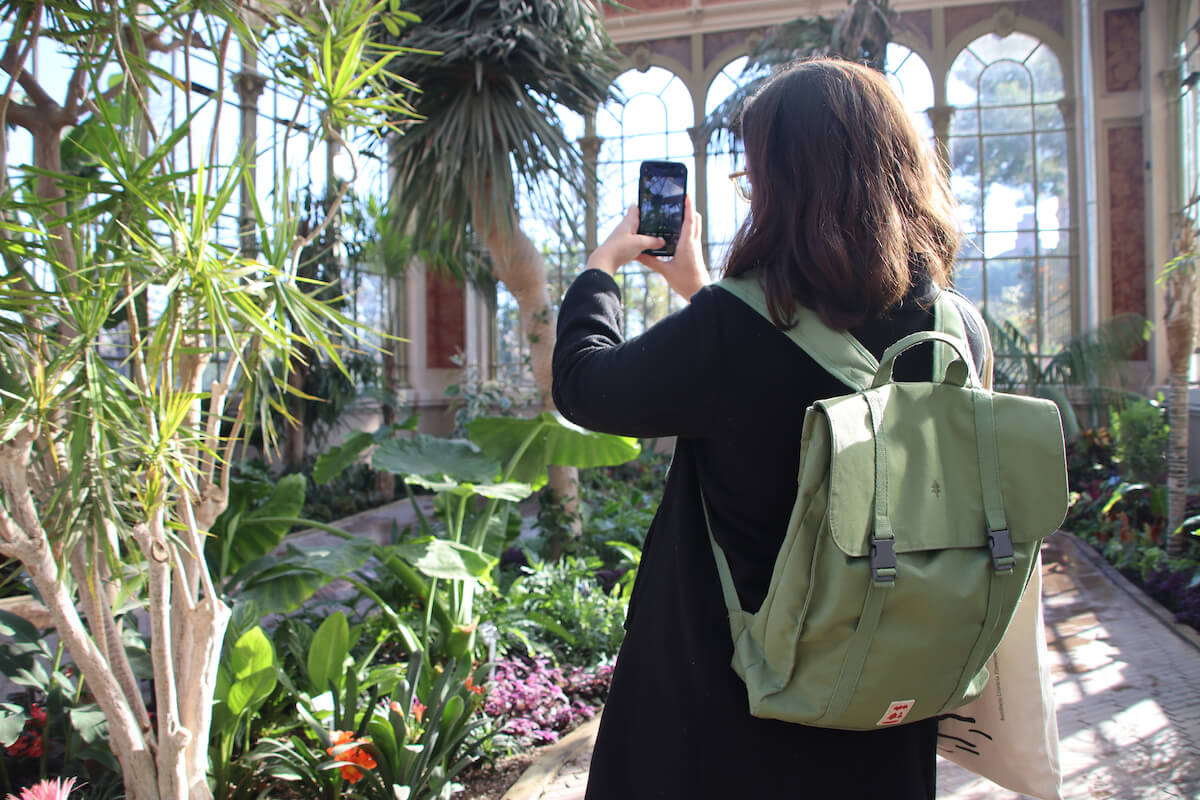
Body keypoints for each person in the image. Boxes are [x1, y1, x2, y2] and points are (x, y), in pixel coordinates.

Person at [551, 58, 981, 799]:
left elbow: (586, 386)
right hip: (885, 694)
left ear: (785, 184)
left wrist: (601, 270)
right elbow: (798, 360)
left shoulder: (729, 333)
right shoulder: (956, 331)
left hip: (740, 710)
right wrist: (699, 291)